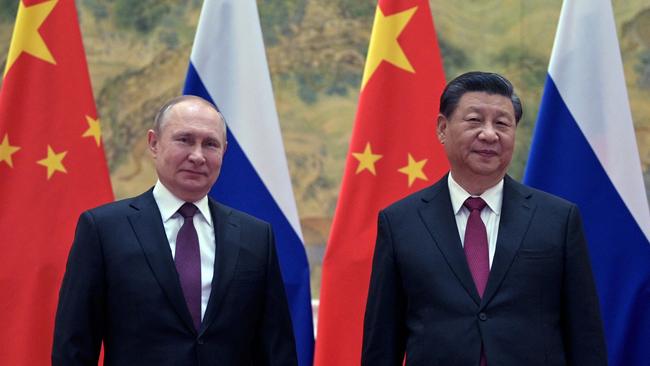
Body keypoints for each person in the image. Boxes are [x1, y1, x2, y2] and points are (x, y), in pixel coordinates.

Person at [361, 72, 607, 365]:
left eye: (502, 123)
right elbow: (382, 342)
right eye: (475, 120)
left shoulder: (558, 219)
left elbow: (585, 337)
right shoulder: (401, 222)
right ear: (442, 128)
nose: (489, 134)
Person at [52, 95, 298, 365]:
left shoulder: (256, 236)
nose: (197, 156)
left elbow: (277, 348)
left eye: (210, 144)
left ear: (224, 152)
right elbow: (74, 345)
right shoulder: (103, 230)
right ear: (154, 143)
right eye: (184, 139)